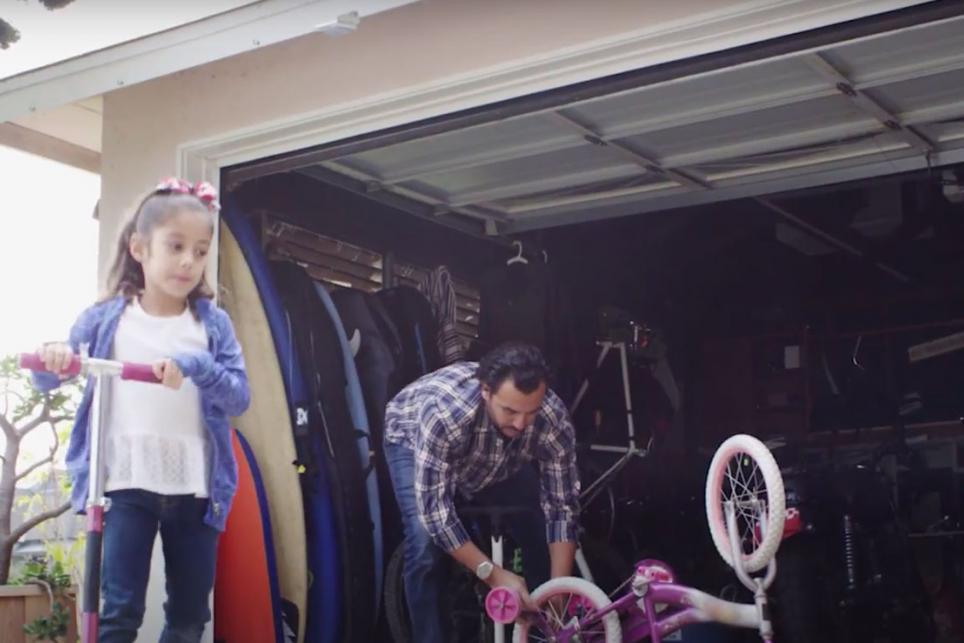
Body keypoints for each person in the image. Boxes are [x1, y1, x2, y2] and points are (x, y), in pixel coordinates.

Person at [32, 178, 250, 643]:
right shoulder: (105, 318)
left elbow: (238, 397)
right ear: (139, 248)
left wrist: (193, 367)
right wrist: (53, 358)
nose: (189, 261)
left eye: (200, 250)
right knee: (119, 612)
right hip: (125, 482)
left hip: (196, 487)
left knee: (191, 616)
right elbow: (51, 376)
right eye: (175, 246)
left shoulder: (210, 324)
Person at [384, 341, 580, 642]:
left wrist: (558, 589)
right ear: (486, 390)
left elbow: (561, 507)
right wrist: (493, 575)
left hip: (496, 459)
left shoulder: (552, 420)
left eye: (531, 413)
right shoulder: (446, 414)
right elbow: (435, 514)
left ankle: (545, 628)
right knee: (424, 545)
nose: (520, 424)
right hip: (412, 439)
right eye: (510, 410)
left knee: (537, 522)